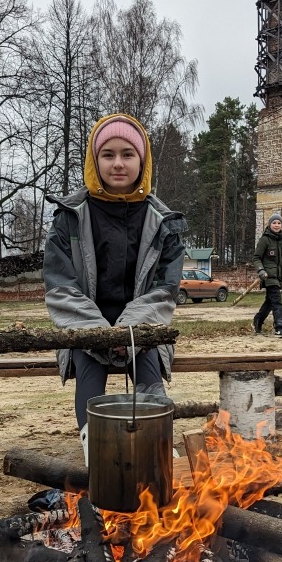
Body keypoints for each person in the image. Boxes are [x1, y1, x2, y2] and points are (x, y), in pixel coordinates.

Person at [43, 112, 187, 462]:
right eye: (108, 155)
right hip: (84, 326)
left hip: (142, 327)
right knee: (89, 370)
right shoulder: (70, 216)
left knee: (149, 364)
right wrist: (100, 335)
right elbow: (60, 287)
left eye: (127, 154)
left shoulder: (164, 222)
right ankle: (99, 457)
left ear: (142, 160)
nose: (118, 164)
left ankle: (155, 455)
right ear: (95, 161)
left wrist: (128, 333)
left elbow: (164, 290)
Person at [251, 212, 282, 337]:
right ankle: (280, 327)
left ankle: (257, 321)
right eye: (274, 223)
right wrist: (261, 270)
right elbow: (256, 258)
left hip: (279, 277)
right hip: (268, 277)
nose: (276, 225)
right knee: (277, 301)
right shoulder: (264, 239)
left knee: (270, 302)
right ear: (270, 225)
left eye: (279, 223)